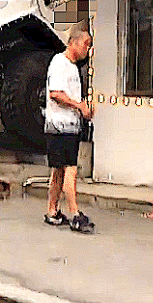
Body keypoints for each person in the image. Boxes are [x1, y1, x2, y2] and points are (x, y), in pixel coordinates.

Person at [43, 21, 95, 233]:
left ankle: (52, 211)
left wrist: (83, 109)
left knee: (58, 171)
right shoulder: (59, 63)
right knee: (70, 170)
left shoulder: (72, 67)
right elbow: (55, 94)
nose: (87, 50)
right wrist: (78, 106)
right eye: (86, 44)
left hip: (68, 126)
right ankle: (75, 213)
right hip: (60, 126)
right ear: (73, 43)